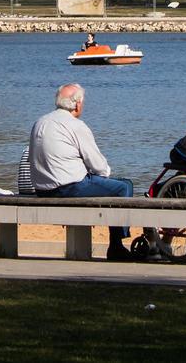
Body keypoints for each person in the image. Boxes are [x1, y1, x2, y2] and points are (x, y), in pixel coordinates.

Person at [30, 83, 142, 261]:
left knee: (107, 184)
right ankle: (117, 245)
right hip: (68, 188)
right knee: (124, 186)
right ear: (77, 104)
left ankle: (117, 245)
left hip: (42, 189)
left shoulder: (40, 122)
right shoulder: (76, 125)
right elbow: (99, 165)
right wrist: (103, 175)